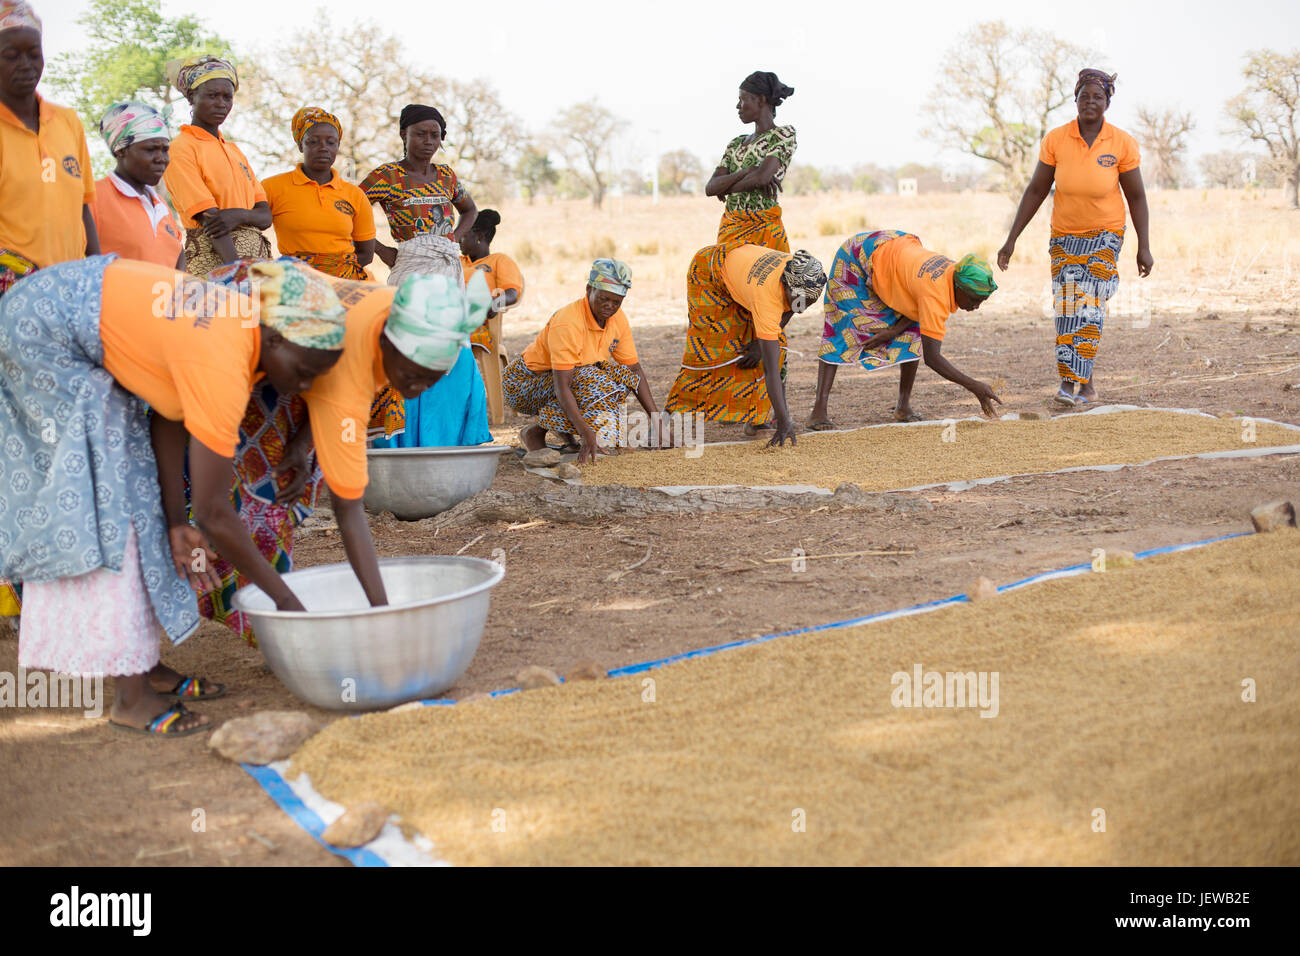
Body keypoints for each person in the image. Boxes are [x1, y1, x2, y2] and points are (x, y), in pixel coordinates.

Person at [0, 257, 346, 735]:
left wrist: (172, 522)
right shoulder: (222, 356)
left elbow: (168, 411)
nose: (305, 387)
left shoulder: (239, 334)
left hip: (64, 316)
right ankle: (131, 696)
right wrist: (290, 604)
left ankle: (143, 666)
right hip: (42, 332)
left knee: (134, 485)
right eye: (304, 370)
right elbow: (214, 513)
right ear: (274, 338)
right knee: (108, 504)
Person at [0, 0, 101, 619]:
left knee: (59, 444)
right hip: (10, 307)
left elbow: (85, 209)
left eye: (31, 52)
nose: (22, 64)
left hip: (71, 312)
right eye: (9, 53)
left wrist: (96, 281)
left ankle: (51, 577)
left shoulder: (67, 122)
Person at [997, 69, 1153, 407]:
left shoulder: (1121, 143)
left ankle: (1070, 384)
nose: (1091, 102)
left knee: (1090, 307)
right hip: (1065, 237)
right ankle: (1084, 384)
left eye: (1098, 97)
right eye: (1085, 96)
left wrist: (1144, 246)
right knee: (1069, 307)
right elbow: (1037, 189)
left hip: (1105, 236)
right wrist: (1011, 240)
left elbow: (1137, 197)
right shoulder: (1056, 139)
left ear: (1108, 102)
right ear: (1076, 99)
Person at [362, 104, 489, 448]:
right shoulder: (385, 177)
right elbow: (352, 211)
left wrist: (454, 238)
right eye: (420, 133)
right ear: (404, 134)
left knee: (455, 357)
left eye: (435, 135)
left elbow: (470, 209)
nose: (428, 141)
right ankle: (403, 442)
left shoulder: (446, 175)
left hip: (448, 271)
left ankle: (450, 440)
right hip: (411, 269)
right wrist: (384, 251)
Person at [808, 232, 1004, 427]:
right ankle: (818, 412)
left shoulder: (957, 270)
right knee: (843, 329)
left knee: (914, 330)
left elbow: (917, 301)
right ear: (959, 287)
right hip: (857, 257)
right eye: (974, 299)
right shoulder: (936, 295)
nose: (976, 306)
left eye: (981, 301)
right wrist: (974, 386)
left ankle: (903, 406)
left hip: (892, 250)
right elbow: (933, 358)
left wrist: (893, 331)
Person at [504, 259, 665, 464]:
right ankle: (536, 434)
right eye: (604, 299)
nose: (610, 306)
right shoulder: (568, 322)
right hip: (523, 385)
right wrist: (586, 431)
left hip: (565, 379)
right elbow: (562, 386)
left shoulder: (618, 320)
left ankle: (564, 436)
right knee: (591, 379)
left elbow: (634, 370)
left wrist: (657, 420)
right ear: (589, 289)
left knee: (621, 380)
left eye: (617, 302)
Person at [664, 244, 826, 447]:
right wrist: (786, 421)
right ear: (785, 285)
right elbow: (770, 369)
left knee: (776, 346)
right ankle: (659, 425)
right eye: (801, 298)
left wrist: (759, 344)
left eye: (812, 300)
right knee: (711, 351)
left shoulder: (800, 272)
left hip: (743, 274)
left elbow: (793, 307)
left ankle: (756, 420)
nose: (804, 305)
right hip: (708, 272)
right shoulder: (767, 297)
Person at [163, 54, 271, 276]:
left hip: (255, 264)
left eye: (227, 97)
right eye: (213, 96)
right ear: (192, 97)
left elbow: (265, 217)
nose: (221, 104)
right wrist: (238, 273)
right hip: (217, 264)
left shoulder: (234, 151)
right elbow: (211, 221)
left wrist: (239, 215)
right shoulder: (181, 148)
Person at [263, 107, 375, 280]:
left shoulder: (354, 194)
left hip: (346, 282)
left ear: (338, 146)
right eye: (313, 142)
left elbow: (366, 254)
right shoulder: (272, 187)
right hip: (296, 282)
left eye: (331, 142)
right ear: (301, 145)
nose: (323, 148)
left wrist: (333, 277)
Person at [704, 71, 797, 251]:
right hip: (731, 230)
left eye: (742, 99)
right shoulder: (736, 143)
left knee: (770, 279)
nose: (738, 106)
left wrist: (726, 187)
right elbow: (710, 188)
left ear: (761, 100)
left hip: (764, 232)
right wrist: (746, 172)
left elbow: (761, 178)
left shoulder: (782, 135)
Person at [89, 101, 184, 269]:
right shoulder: (93, 199)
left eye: (165, 149)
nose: (161, 158)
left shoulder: (161, 207)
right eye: (150, 149)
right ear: (121, 151)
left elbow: (178, 263)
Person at [459, 209, 524, 425]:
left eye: (464, 233)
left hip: (481, 325)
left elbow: (512, 293)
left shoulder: (498, 261)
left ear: (480, 236)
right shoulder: (456, 261)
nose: (458, 237)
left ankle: (494, 415)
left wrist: (494, 302)